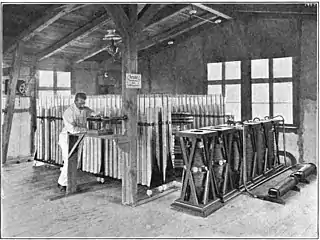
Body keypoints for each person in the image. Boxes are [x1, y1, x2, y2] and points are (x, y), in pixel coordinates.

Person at [57, 92, 99, 191]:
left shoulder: (84, 109)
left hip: (78, 137)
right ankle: (62, 183)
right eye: (80, 103)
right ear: (75, 101)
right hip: (67, 138)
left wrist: (98, 116)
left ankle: (68, 183)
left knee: (75, 161)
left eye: (84, 103)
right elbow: (72, 129)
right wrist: (86, 130)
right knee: (69, 161)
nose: (82, 106)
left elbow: (93, 113)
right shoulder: (68, 112)